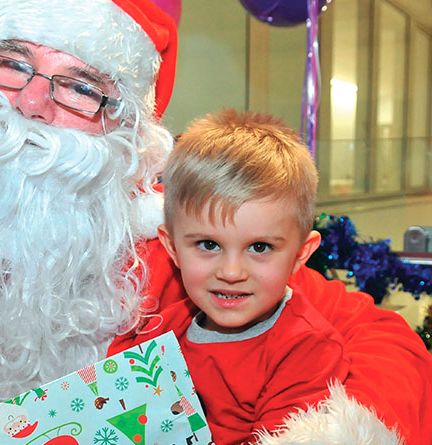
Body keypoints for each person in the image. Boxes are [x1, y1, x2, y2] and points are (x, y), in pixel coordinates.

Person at [0, 0, 429, 444]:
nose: (30, 103)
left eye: (80, 87)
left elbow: (379, 338)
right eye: (11, 63)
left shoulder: (174, 244)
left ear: (126, 133)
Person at [110, 109, 352, 444]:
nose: (231, 273)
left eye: (260, 247)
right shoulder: (158, 333)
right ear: (172, 248)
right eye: (209, 244)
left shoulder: (306, 350)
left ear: (301, 254)